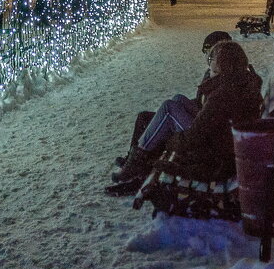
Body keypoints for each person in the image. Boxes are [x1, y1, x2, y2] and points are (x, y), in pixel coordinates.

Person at [106, 38, 262, 196]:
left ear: (225, 67)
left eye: (213, 66)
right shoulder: (239, 81)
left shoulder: (224, 93)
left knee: (168, 109)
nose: (210, 69)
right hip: (222, 139)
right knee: (176, 100)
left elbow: (196, 136)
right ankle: (135, 162)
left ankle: (134, 167)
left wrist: (170, 140)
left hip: (212, 152)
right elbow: (209, 115)